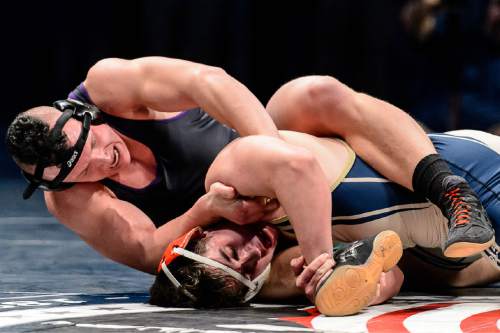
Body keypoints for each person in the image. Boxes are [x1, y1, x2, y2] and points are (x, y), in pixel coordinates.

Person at [5, 56, 493, 275]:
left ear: (83, 115)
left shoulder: (108, 85)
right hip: (232, 221)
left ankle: (448, 190)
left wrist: (271, 148)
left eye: (87, 143)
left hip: (265, 149)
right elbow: (149, 253)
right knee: (233, 265)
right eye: (82, 170)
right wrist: (204, 210)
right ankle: (337, 268)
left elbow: (208, 81)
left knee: (313, 91)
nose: (100, 159)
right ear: (60, 183)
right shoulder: (68, 201)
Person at [149, 129, 499, 310]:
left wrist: (321, 256)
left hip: (477, 175)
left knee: (309, 97)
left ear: (200, 232)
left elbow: (298, 169)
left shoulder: (232, 180)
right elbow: (394, 271)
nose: (252, 256)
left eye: (230, 253)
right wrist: (360, 289)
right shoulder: (279, 270)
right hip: (478, 247)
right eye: (247, 274)